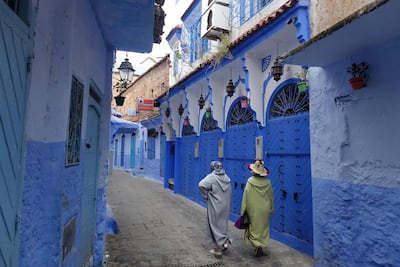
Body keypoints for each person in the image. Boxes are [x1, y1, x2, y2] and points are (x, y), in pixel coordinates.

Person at [240, 159, 274, 257]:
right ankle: (260, 246)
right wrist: (271, 208)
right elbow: (271, 197)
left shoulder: (250, 182)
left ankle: (257, 246)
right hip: (265, 210)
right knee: (263, 228)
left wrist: (243, 210)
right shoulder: (268, 182)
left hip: (253, 210)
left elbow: (246, 196)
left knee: (253, 228)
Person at [199, 161, 232, 258]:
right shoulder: (226, 177)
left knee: (214, 226)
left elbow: (201, 185)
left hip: (215, 206)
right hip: (225, 206)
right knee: (222, 224)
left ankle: (217, 250)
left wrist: (207, 196)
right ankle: (224, 242)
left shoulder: (212, 177)